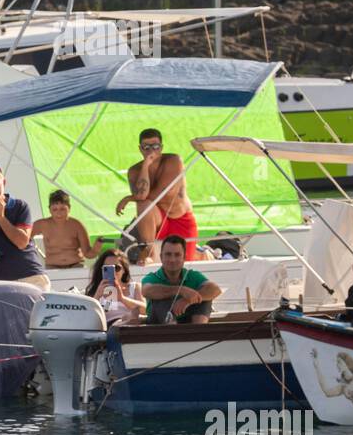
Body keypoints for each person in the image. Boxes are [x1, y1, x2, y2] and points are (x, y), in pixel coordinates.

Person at [117, 128, 199, 261]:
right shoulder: (134, 171)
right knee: (143, 204)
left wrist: (129, 198)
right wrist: (145, 166)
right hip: (157, 223)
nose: (151, 151)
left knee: (184, 266)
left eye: (155, 146)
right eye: (146, 147)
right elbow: (142, 197)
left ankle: (203, 254)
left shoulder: (173, 161)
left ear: (161, 147)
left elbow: (162, 192)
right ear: (140, 149)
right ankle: (148, 250)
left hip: (180, 220)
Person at [141, 235, 221, 324]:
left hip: (190, 325)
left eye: (177, 255)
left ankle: (198, 332)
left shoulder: (192, 275)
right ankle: (176, 333)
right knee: (160, 300)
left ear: (184, 258)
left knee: (203, 298)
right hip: (159, 327)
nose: (172, 259)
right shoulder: (152, 277)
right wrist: (181, 290)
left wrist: (188, 300)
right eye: (168, 254)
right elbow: (146, 291)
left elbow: (215, 289)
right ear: (161, 257)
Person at [30, 189, 102, 269]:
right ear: (49, 209)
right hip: (52, 267)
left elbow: (88, 254)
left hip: (76, 266)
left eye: (62, 209)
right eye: (55, 209)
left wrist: (96, 248)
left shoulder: (77, 225)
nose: (59, 213)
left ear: (69, 208)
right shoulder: (41, 224)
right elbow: (23, 239)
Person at [85, 248, 145, 326]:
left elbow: (146, 310)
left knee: (134, 316)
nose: (113, 272)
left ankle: (127, 320)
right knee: (130, 318)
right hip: (111, 326)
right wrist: (98, 295)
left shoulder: (134, 287)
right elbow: (86, 316)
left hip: (133, 326)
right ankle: (126, 320)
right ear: (101, 270)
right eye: (107, 268)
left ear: (124, 270)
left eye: (116, 268)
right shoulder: (97, 290)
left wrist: (122, 299)